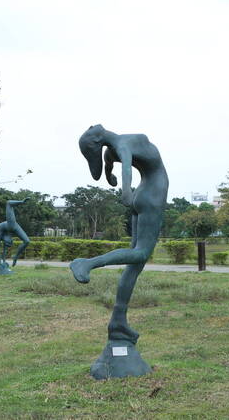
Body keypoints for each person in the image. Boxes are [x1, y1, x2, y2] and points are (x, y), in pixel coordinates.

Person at [69, 124, 168, 344]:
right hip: (151, 194)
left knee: (134, 262)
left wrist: (109, 176)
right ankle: (87, 264)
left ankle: (118, 321)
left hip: (141, 195)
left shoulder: (109, 152)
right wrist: (125, 189)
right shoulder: (122, 144)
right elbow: (126, 168)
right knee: (141, 254)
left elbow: (109, 168)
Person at [0, 197, 31, 272]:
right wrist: (0, 263)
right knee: (25, 241)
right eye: (9, 243)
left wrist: (22, 202)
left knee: (27, 241)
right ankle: (9, 260)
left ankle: (15, 257)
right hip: (12, 227)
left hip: (11, 225)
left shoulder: (1, 230)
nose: (11, 241)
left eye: (9, 242)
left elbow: (9, 203)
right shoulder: (0, 235)